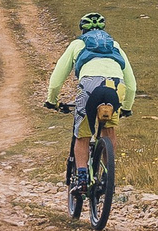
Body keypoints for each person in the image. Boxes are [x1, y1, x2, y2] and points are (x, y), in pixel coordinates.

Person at [45, 11, 135, 187]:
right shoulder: (115, 45)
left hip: (89, 85)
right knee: (108, 129)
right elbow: (131, 85)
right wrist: (126, 107)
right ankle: (108, 175)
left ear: (83, 30)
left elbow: (56, 80)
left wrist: (52, 101)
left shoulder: (77, 44)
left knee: (83, 134)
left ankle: (82, 178)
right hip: (116, 86)